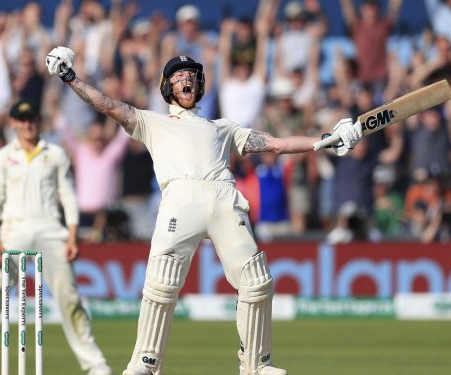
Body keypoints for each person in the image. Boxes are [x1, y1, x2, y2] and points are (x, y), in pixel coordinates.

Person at [45, 46, 362, 375]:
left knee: (257, 282)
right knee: (162, 285)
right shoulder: (152, 122)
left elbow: (277, 144)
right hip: (180, 197)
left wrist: (325, 139)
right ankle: (144, 363)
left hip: (224, 195)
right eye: (180, 76)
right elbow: (107, 104)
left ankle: (256, 365)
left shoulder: (223, 128)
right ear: (168, 86)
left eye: (193, 76)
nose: (188, 80)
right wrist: (70, 77)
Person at [0, 100, 111, 375]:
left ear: (39, 121)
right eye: (21, 120)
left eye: (31, 118)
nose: (27, 124)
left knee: (69, 299)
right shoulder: (2, 156)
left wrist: (72, 237)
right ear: (13, 123)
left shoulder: (55, 154)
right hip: (13, 232)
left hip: (50, 231)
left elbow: (68, 197)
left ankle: (95, 364)